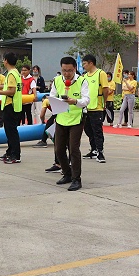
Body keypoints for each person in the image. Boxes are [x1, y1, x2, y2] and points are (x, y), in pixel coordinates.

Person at [51, 56, 90, 191]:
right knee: (59, 149)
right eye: (64, 70)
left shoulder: (82, 81)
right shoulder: (56, 80)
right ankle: (67, 174)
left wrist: (75, 101)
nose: (66, 73)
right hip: (61, 118)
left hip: (77, 118)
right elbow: (53, 96)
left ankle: (76, 179)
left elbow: (86, 100)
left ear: (75, 69)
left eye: (69, 70)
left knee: (73, 148)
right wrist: (54, 102)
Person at [0, 53, 23, 164]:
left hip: (10, 105)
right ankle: (10, 151)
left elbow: (12, 91)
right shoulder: (15, 72)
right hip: (13, 105)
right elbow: (10, 87)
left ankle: (15, 155)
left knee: (11, 131)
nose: (3, 61)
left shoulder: (11, 74)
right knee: (9, 130)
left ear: (6, 60)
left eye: (3, 59)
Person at [82, 54, 110, 163]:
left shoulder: (100, 73)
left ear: (91, 63)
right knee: (88, 130)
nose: (83, 66)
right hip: (86, 108)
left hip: (97, 107)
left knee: (97, 131)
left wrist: (104, 102)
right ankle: (93, 149)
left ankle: (100, 152)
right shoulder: (85, 76)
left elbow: (105, 89)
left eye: (85, 64)